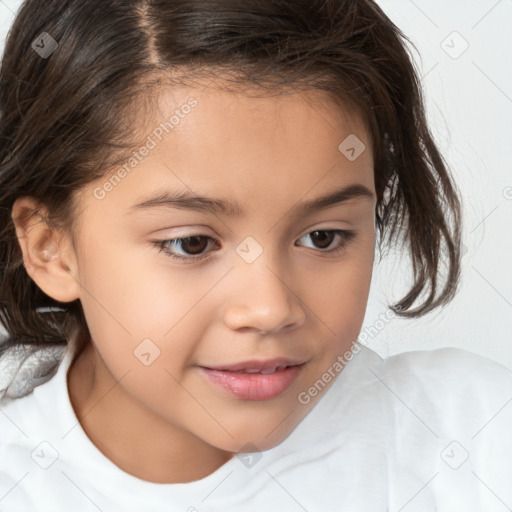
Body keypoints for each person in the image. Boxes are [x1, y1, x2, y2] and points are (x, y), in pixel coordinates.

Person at [0, 1, 511, 511]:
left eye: (324, 237)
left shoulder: (476, 440)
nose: (271, 308)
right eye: (191, 243)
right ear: (52, 249)